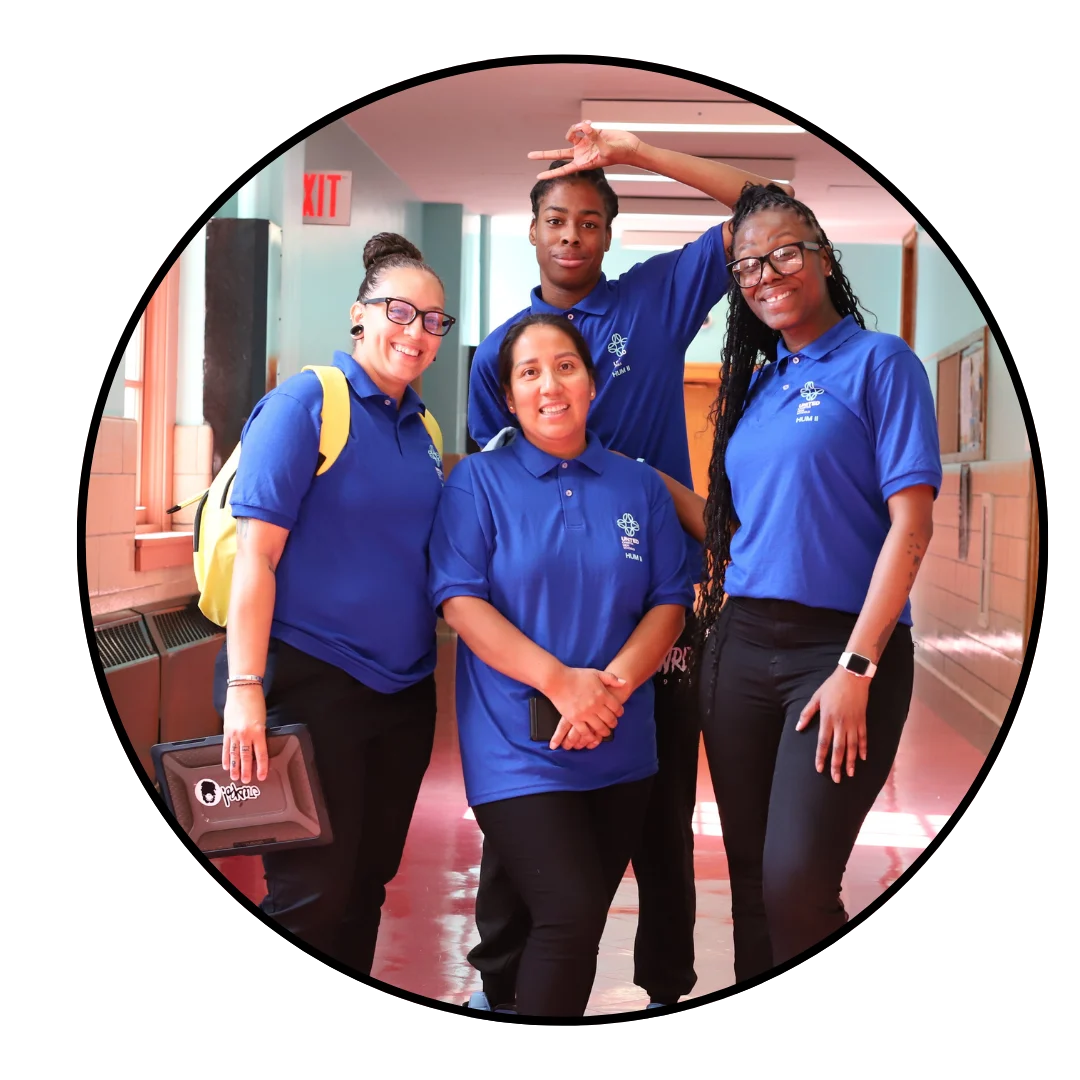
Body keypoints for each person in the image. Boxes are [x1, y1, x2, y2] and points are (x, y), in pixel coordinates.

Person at [464, 120, 793, 1012]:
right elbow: (488, 493)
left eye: (590, 222)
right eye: (556, 221)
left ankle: (666, 989)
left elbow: (767, 208)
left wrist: (638, 155)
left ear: (609, 235)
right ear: (531, 230)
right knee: (523, 822)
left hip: (662, 607)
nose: (572, 236)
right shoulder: (502, 352)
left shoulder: (652, 298)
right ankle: (500, 987)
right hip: (546, 621)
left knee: (660, 823)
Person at [650, 182, 941, 983]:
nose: (765, 273)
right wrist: (647, 482)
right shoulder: (759, 386)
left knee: (796, 883)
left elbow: (910, 528)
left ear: (820, 254)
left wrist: (857, 666)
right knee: (748, 882)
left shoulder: (881, 364)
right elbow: (745, 529)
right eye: (746, 265)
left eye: (783, 253)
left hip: (839, 651)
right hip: (740, 648)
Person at [429, 313, 695, 1017]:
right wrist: (560, 684)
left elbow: (669, 601)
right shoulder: (477, 483)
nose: (551, 384)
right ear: (510, 397)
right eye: (529, 372)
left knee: (572, 929)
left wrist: (607, 691)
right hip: (518, 748)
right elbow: (460, 603)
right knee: (570, 911)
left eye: (566, 366)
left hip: (619, 743)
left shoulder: (638, 487)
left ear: (593, 381)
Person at [211, 232, 456, 976]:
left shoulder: (425, 431)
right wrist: (245, 691)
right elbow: (257, 553)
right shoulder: (307, 402)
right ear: (360, 314)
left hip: (405, 693)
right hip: (308, 684)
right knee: (307, 896)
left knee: (364, 890)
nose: (416, 332)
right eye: (400, 312)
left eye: (434, 321)